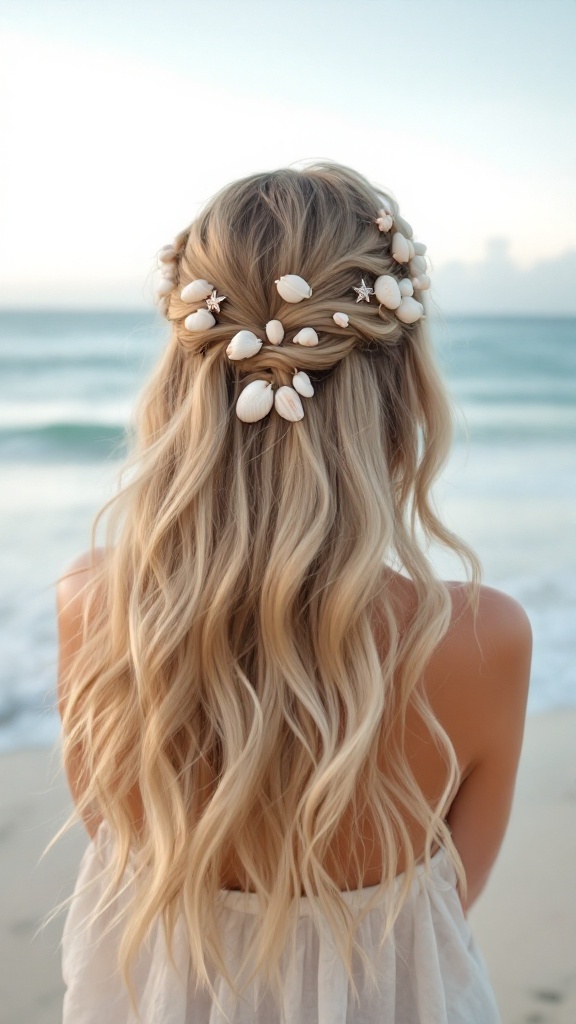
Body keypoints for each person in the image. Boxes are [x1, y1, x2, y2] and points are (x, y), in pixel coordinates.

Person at [55, 162, 532, 1023]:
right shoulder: (484, 640)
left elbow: (110, 842)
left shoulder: (93, 606)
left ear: (182, 379)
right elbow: (452, 905)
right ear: (403, 391)